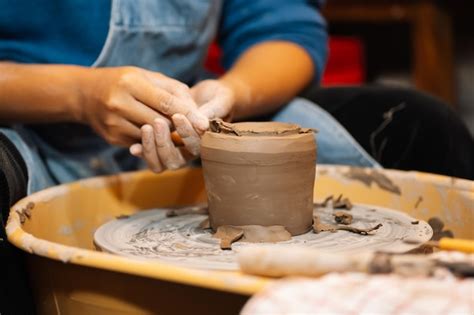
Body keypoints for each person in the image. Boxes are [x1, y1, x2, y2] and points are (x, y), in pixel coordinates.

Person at [1, 0, 472, 313]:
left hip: (191, 123)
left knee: (422, 125)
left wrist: (229, 93)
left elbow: (285, 26)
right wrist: (79, 96)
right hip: (28, 122)